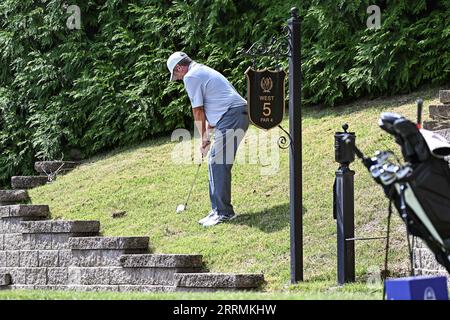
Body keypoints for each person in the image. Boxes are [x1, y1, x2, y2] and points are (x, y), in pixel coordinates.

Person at [167, 51, 249, 227]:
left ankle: (224, 212)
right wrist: (208, 134)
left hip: (233, 116)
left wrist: (203, 139)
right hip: (233, 115)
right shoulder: (199, 70)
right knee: (215, 161)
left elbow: (198, 110)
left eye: (176, 75)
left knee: (217, 161)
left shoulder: (191, 76)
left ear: (180, 67)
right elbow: (214, 109)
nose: (178, 79)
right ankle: (217, 210)